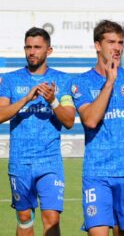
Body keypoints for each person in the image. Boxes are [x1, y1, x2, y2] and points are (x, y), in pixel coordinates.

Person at [70, 20, 124, 236]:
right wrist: (109, 83)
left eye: (121, 42)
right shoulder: (82, 82)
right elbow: (90, 120)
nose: (117, 47)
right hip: (97, 173)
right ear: (98, 45)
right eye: (111, 42)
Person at [0, 27, 76, 236]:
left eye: (37, 47)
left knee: (51, 218)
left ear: (48, 50)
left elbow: (69, 120)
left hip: (49, 161)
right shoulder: (10, 80)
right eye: (28, 47)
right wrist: (25, 99)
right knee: (24, 218)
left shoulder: (62, 80)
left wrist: (52, 100)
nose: (31, 52)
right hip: (20, 161)